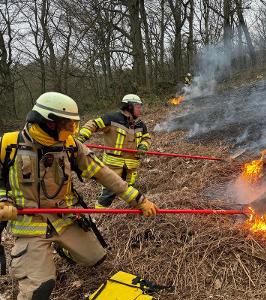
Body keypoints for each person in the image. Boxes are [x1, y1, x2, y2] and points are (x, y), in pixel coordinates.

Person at [0, 92, 158, 300]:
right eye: (68, 125)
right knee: (39, 290)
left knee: (96, 258)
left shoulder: (70, 145)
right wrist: (3, 200)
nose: (72, 131)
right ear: (50, 123)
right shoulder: (9, 144)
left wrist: (139, 200)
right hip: (31, 224)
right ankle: (36, 262)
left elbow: (103, 173)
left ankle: (64, 248)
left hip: (64, 217)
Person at [77, 94, 151, 208]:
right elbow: (93, 124)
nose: (140, 109)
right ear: (129, 106)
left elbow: (146, 138)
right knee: (108, 195)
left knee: (131, 193)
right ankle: (99, 215)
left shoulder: (140, 125)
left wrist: (143, 146)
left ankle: (128, 216)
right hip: (113, 168)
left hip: (131, 168)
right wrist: (80, 139)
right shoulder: (112, 118)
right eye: (138, 106)